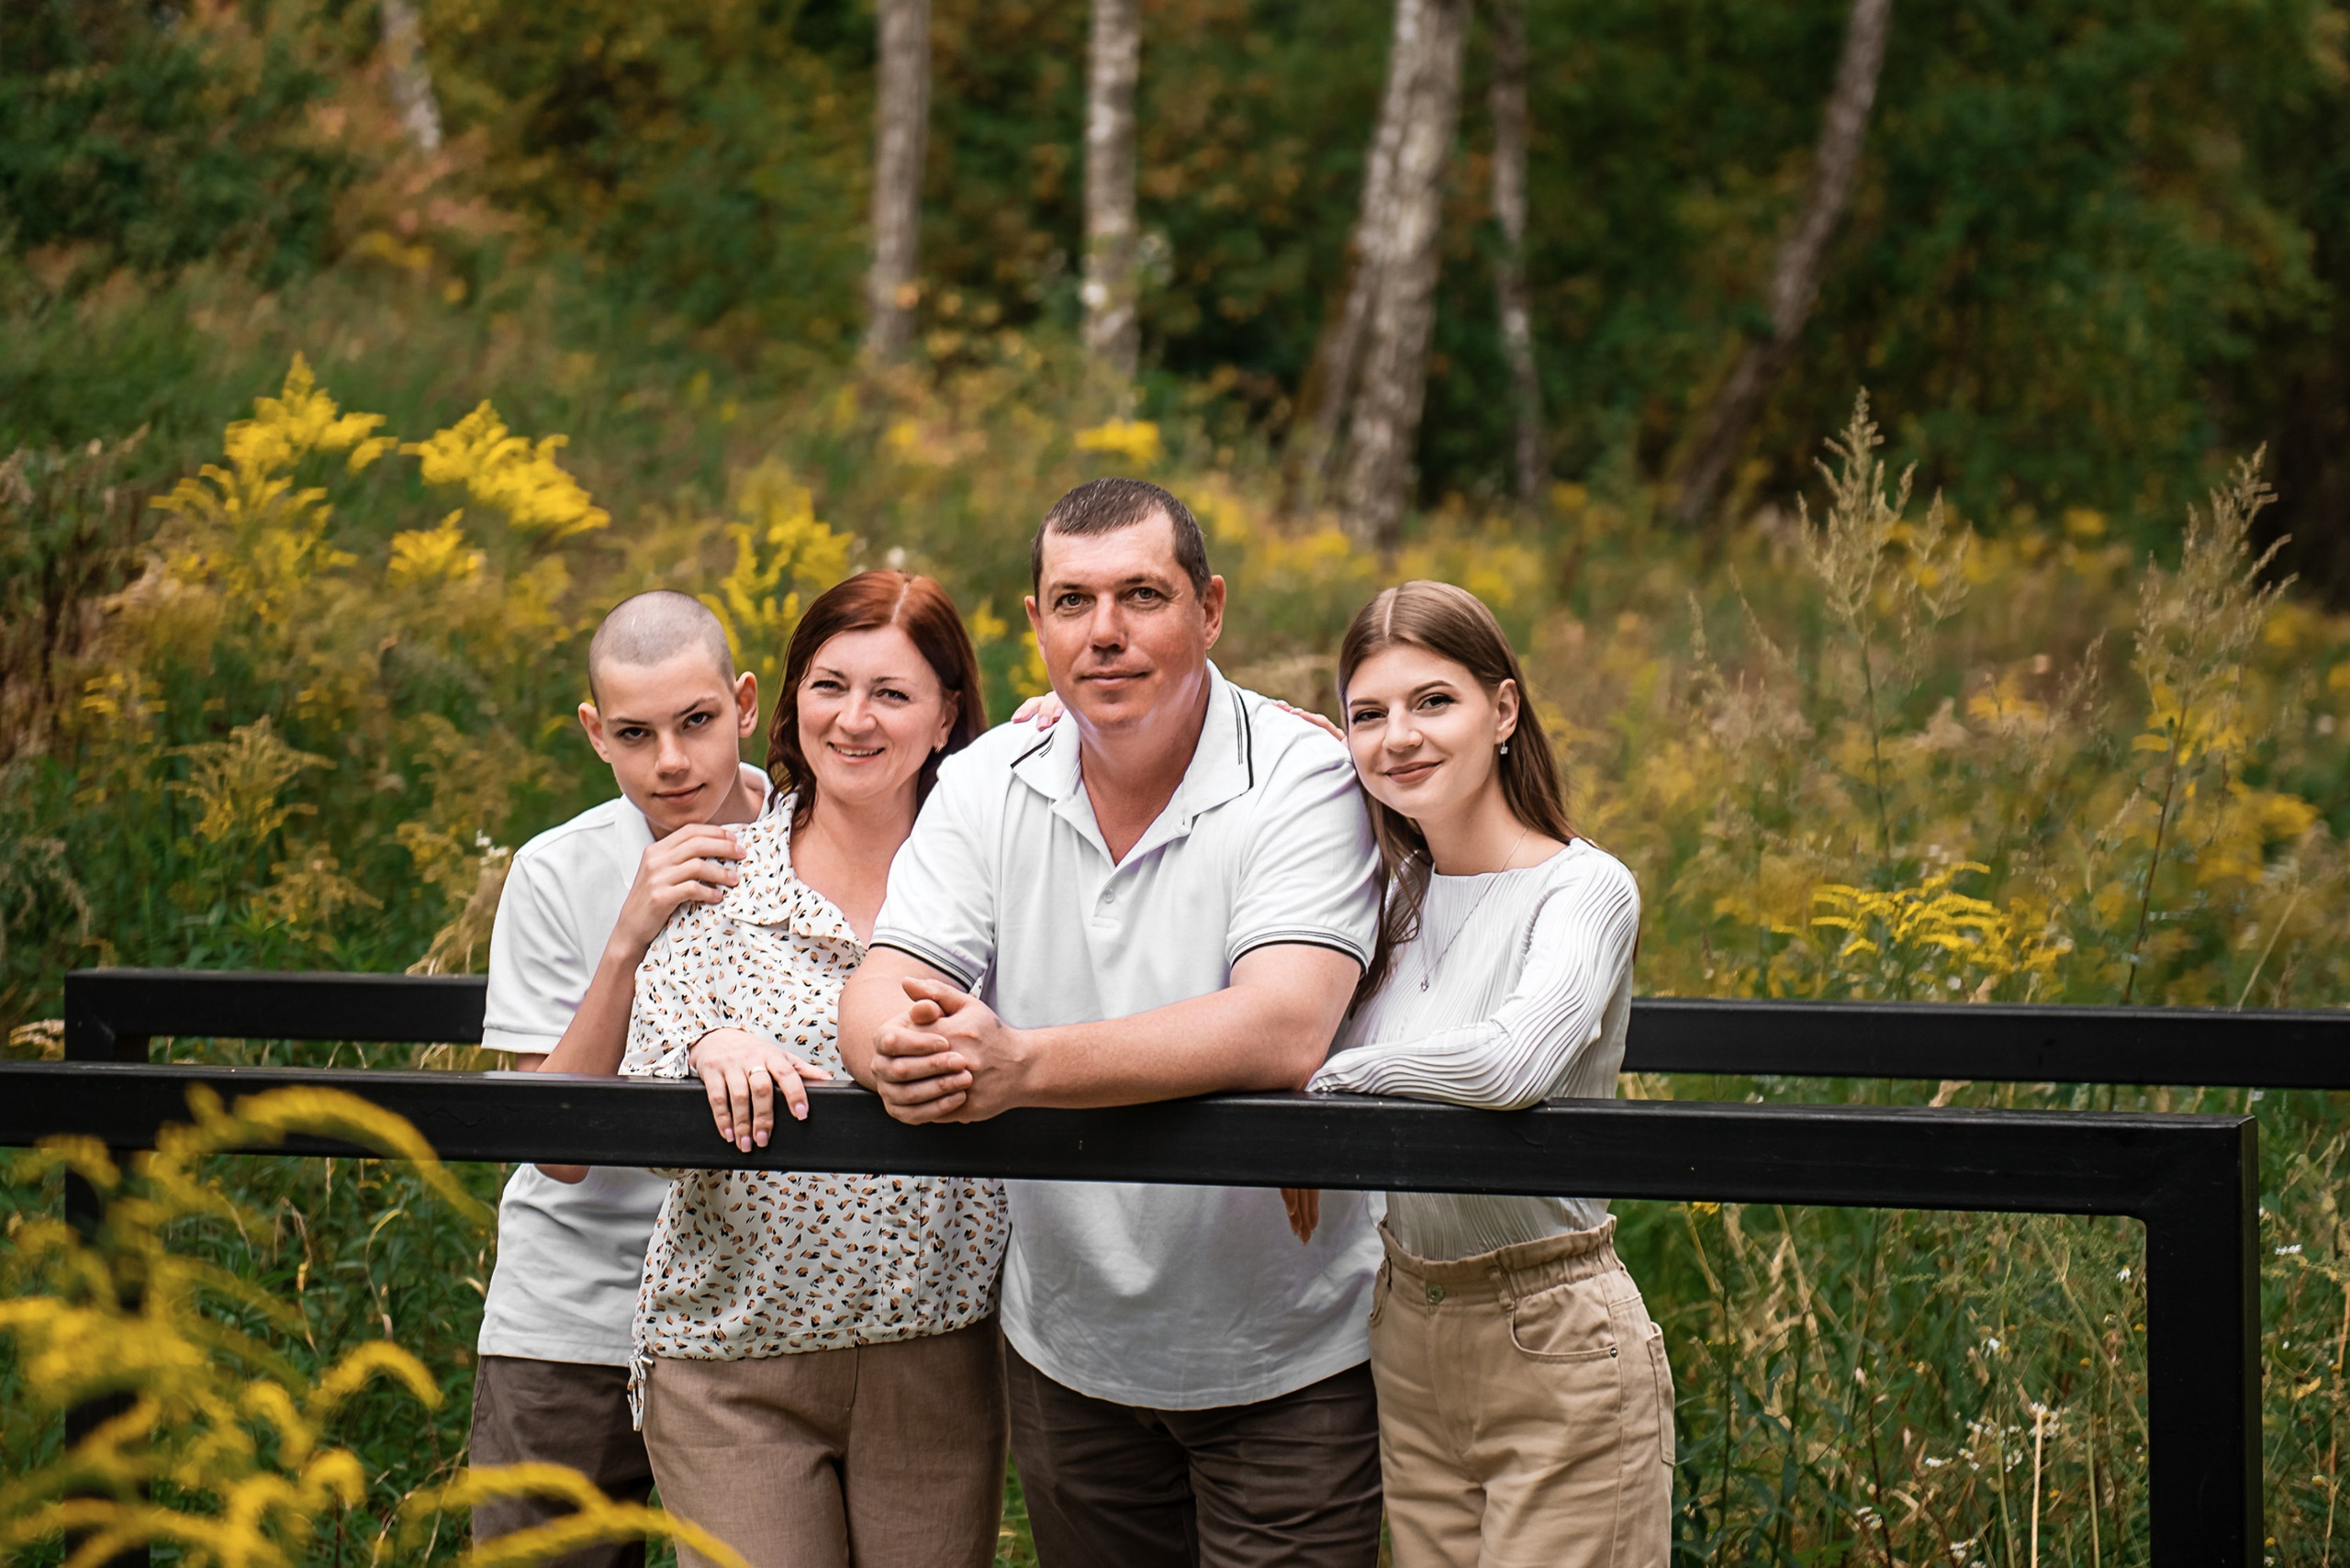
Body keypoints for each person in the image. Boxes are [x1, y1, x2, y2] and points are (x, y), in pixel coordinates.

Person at [838, 477, 1388, 1568]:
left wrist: (1020, 1065)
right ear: (1034, 621)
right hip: (1068, 1353)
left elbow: (1282, 1023)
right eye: (1072, 601)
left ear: (1209, 609)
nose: (1105, 632)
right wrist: (899, 1054)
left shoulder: (1303, 775)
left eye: (1142, 595)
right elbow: (886, 978)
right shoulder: (987, 780)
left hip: (1287, 1354)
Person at [617, 570, 1010, 1568]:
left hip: (940, 1346)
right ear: (790, 701)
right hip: (734, 1357)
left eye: (892, 693)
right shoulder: (719, 873)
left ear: (946, 715)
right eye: (830, 686)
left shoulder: (1004, 879)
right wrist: (706, 1048)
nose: (855, 719)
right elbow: (642, 1084)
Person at [1303, 580, 1672, 1568]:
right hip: (1406, 1326)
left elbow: (1513, 1062)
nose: (1399, 737)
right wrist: (1069, 721)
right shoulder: (1386, 896)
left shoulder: (1583, 887)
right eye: (1367, 715)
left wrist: (1334, 1080)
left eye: (1433, 701)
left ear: (1503, 710)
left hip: (1551, 1329)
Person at [472, 589, 768, 1568]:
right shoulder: (555, 871)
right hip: (571, 1319)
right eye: (636, 734)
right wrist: (627, 940)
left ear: (745, 704)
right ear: (597, 733)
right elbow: (558, 1152)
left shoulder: (817, 836)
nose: (670, 761)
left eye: (697, 721)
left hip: (755, 1317)